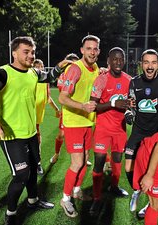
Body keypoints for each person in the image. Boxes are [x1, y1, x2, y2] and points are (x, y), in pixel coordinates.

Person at [0, 36, 70, 225]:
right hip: (11, 136)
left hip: (31, 133)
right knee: (21, 176)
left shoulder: (33, 72)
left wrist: (60, 66)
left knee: (33, 169)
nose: (31, 55)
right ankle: (10, 213)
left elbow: (49, 76)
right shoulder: (2, 73)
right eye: (26, 52)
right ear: (14, 53)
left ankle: (33, 201)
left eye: (33, 52)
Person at [124, 49, 158, 214]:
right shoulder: (134, 82)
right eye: (146, 62)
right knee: (128, 167)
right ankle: (136, 191)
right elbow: (130, 106)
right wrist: (128, 113)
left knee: (153, 170)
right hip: (139, 130)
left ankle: (150, 202)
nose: (149, 66)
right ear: (141, 64)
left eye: (153, 62)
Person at [58, 35, 100, 218]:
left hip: (87, 122)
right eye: (88, 48)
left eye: (95, 49)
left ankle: (76, 190)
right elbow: (62, 98)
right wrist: (82, 105)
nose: (92, 52)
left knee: (84, 159)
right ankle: (65, 199)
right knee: (77, 163)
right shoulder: (75, 69)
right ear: (82, 50)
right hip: (74, 122)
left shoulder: (96, 68)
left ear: (98, 51)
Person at [88, 47, 131, 216]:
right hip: (103, 129)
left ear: (124, 61)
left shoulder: (129, 80)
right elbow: (93, 107)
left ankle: (114, 187)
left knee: (117, 161)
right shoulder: (101, 80)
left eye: (121, 59)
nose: (118, 62)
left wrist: (130, 111)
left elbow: (131, 103)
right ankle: (97, 199)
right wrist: (113, 104)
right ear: (108, 61)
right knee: (99, 163)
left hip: (120, 130)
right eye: (115, 59)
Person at [49, 53, 80, 164]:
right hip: (67, 110)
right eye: (72, 64)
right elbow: (64, 92)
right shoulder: (62, 76)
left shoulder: (81, 74)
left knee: (81, 135)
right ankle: (57, 154)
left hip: (80, 111)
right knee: (61, 135)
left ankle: (84, 157)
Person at [33, 59, 60, 175]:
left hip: (38, 114)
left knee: (36, 136)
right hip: (28, 114)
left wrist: (56, 109)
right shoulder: (30, 79)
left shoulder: (45, 82)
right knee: (32, 137)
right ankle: (35, 163)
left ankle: (36, 162)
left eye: (42, 66)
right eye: (38, 66)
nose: (41, 69)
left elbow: (48, 98)